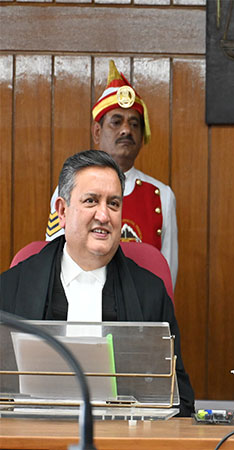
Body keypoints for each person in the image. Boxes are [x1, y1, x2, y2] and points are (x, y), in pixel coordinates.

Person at [1, 150, 194, 416]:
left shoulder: (150, 293)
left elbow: (179, 400)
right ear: (62, 211)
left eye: (113, 204)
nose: (104, 216)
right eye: (91, 201)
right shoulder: (11, 288)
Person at [45, 60, 178, 286]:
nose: (126, 130)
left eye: (134, 124)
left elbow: (167, 273)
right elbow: (56, 257)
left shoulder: (161, 194)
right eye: (116, 122)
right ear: (97, 132)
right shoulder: (68, 187)